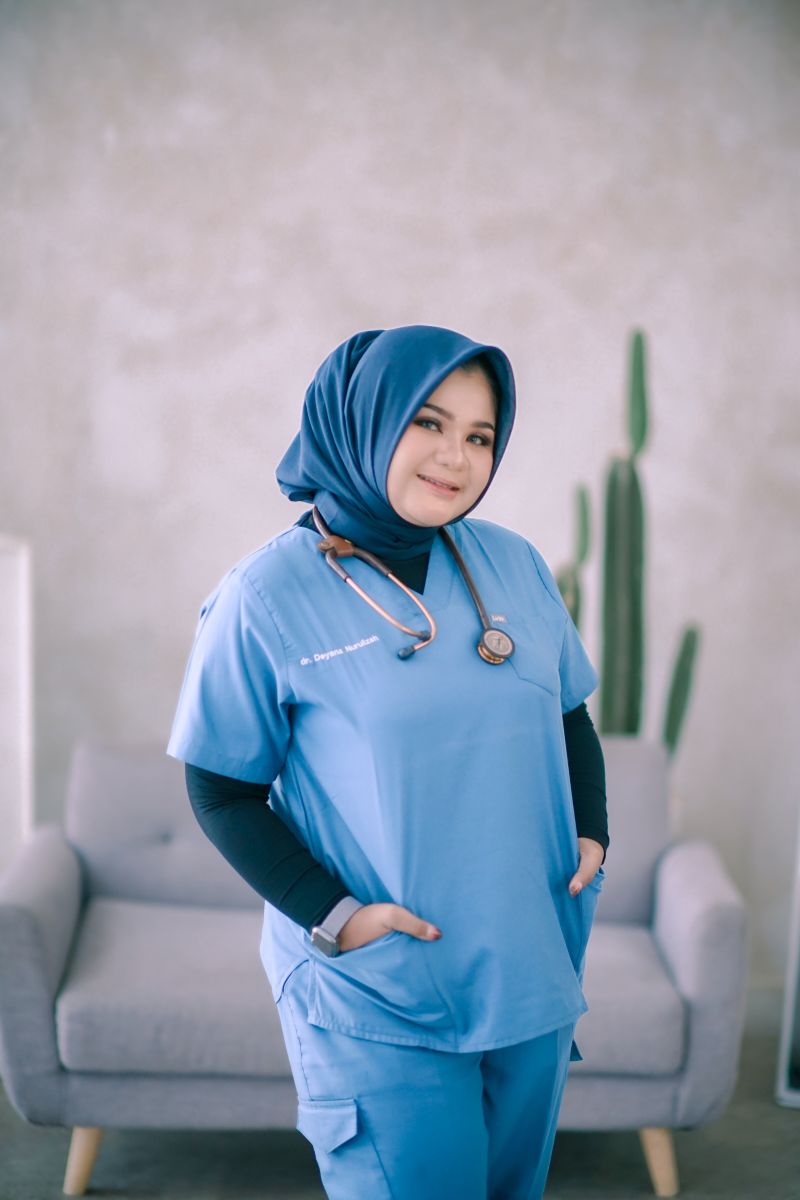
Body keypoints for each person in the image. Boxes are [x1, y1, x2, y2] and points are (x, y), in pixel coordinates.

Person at [167, 324, 609, 1200]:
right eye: (428, 423)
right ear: (363, 423)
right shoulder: (265, 596)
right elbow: (219, 788)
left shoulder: (513, 563)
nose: (456, 457)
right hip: (378, 986)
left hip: (527, 961)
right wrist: (338, 916)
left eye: (479, 436)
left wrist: (591, 832)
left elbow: (568, 709)